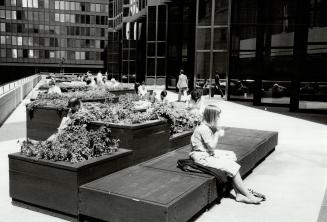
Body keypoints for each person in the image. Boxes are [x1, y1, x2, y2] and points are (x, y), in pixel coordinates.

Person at [190, 105, 264, 204]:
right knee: (232, 166)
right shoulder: (203, 128)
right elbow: (211, 147)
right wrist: (216, 133)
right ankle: (248, 195)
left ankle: (239, 194)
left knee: (231, 155)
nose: (218, 118)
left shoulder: (207, 126)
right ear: (212, 116)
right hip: (201, 157)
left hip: (206, 153)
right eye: (217, 115)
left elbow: (210, 148)